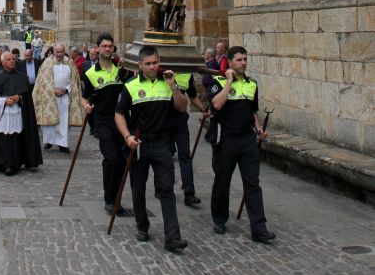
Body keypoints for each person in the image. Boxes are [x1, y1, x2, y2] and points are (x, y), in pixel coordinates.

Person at [115, 45, 188, 253]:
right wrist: (127, 136)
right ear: (139, 65)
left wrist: (174, 87)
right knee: (138, 187)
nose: (152, 67)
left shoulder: (168, 83)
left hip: (162, 143)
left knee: (167, 189)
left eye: (155, 62)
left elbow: (182, 107)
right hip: (139, 143)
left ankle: (173, 237)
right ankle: (142, 225)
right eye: (148, 64)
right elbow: (119, 114)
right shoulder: (130, 86)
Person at [209, 45, 275, 244]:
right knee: (223, 181)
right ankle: (219, 218)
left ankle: (259, 228)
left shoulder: (252, 84)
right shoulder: (218, 82)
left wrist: (258, 129)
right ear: (229, 62)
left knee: (253, 183)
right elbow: (216, 105)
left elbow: (253, 110)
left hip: (247, 140)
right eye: (239, 60)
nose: (243, 63)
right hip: (226, 139)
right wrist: (229, 82)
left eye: (245, 59)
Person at [81, 34, 130, 214]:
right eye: (104, 46)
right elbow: (83, 96)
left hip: (122, 120)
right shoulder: (90, 73)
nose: (107, 49)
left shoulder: (121, 71)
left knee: (123, 161)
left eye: (110, 46)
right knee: (112, 159)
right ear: (98, 49)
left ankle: (116, 197)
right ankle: (110, 200)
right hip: (103, 120)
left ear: (113, 48)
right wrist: (85, 105)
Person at [0, 51, 42, 175]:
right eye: (9, 59)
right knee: (2, 139)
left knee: (16, 139)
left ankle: (14, 163)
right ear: (3, 62)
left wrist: (20, 98)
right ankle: (2, 163)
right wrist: (4, 100)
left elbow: (27, 98)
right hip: (2, 115)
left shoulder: (22, 78)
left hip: (17, 114)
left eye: (13, 59)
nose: (12, 61)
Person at [32, 42, 82, 153]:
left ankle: (63, 144)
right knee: (51, 121)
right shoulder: (47, 62)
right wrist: (53, 90)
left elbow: (74, 80)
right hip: (51, 96)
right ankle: (49, 141)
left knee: (64, 121)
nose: (59, 54)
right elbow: (42, 80)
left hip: (65, 96)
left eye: (61, 52)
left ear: (65, 51)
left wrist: (66, 89)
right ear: (53, 51)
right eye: (57, 52)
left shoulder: (70, 62)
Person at [167, 71, 206, 206]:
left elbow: (192, 94)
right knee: (164, 158)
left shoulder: (186, 75)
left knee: (185, 156)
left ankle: (189, 194)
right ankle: (162, 189)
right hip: (163, 121)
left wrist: (202, 108)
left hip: (180, 120)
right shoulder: (160, 70)